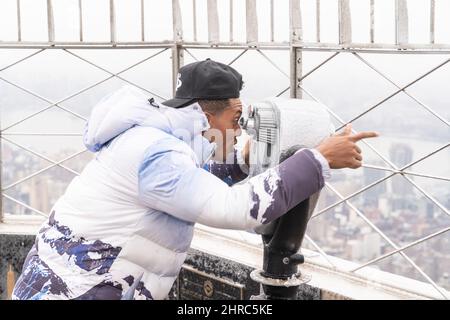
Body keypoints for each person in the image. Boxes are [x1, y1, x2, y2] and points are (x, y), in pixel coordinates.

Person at [12, 59, 377, 300]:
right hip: (79, 290)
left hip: (70, 281)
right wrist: (318, 159)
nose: (239, 128)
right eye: (236, 118)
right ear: (205, 114)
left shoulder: (152, 139)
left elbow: (184, 184)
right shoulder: (157, 152)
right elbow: (234, 209)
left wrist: (242, 160)